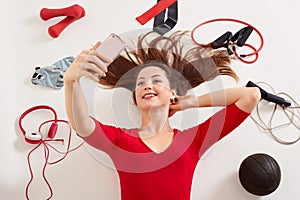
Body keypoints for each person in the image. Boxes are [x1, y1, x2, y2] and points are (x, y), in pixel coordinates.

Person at [63, 30, 261, 200]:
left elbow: (251, 95)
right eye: (140, 83)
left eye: (156, 80)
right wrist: (71, 82)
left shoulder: (194, 139)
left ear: (173, 93)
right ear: (137, 98)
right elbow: (82, 125)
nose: (147, 85)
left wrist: (190, 102)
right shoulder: (120, 141)